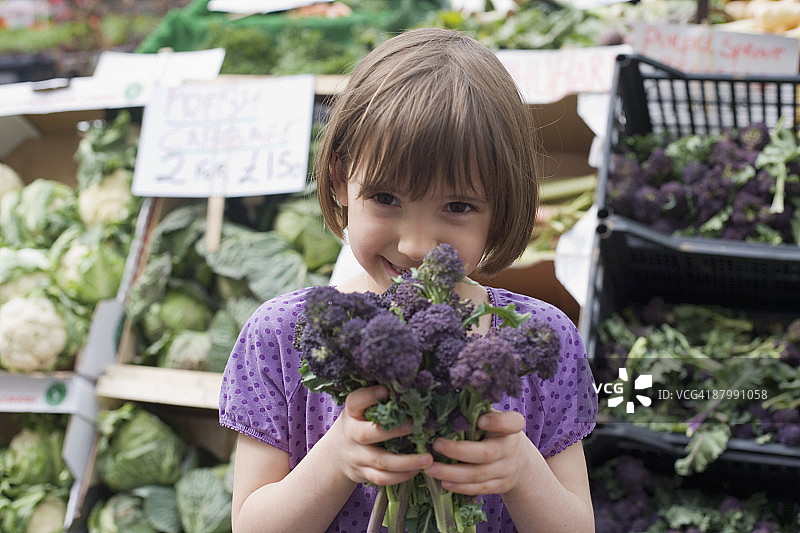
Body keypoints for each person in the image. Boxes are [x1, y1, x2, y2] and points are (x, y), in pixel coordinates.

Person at [219, 27, 598, 532]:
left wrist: (523, 470)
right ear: (339, 179)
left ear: (502, 208)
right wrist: (336, 459)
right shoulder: (283, 336)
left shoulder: (538, 339)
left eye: (458, 206)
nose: (417, 244)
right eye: (386, 198)